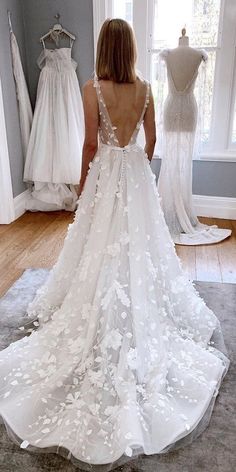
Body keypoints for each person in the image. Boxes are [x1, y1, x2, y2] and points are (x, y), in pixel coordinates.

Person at [0, 19, 229, 471]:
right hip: (136, 176)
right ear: (132, 50)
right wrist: (135, 162)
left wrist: (85, 188)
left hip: (106, 173)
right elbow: (153, 140)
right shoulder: (144, 88)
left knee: (96, 247)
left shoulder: (93, 89)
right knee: (140, 248)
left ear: (105, 48)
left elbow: (89, 144)